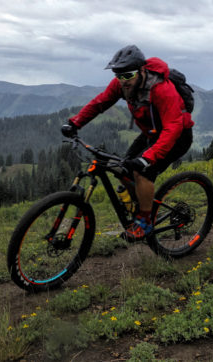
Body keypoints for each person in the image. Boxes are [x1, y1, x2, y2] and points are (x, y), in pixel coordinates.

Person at [61, 44, 194, 241]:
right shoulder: (121, 84)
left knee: (142, 171)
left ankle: (145, 221)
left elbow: (173, 126)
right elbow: (100, 102)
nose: (123, 81)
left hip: (177, 135)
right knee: (124, 167)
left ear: (141, 70)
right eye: (118, 76)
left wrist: (148, 158)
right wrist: (75, 123)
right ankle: (141, 204)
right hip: (151, 133)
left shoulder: (160, 89)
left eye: (128, 75)